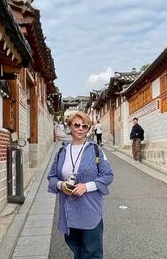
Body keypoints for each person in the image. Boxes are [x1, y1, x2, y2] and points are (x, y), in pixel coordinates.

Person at [48, 111, 114, 259]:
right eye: (77, 125)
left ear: (89, 129)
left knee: (92, 252)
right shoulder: (62, 151)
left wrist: (87, 186)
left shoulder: (95, 150)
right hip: (68, 210)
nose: (81, 129)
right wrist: (60, 184)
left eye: (85, 126)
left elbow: (108, 175)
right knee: (75, 247)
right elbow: (52, 177)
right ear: (69, 127)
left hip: (90, 209)